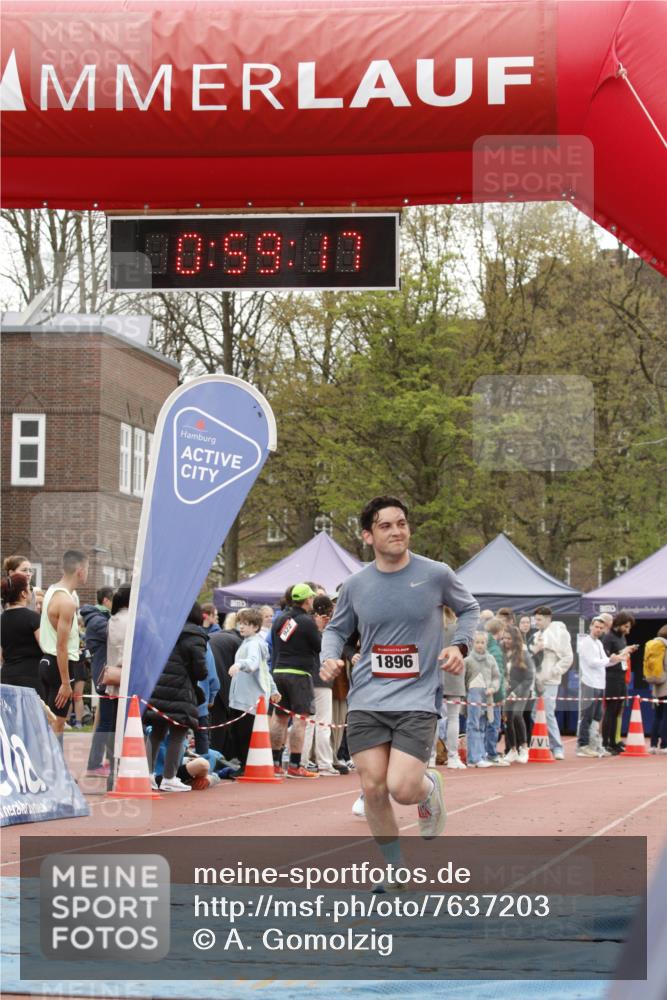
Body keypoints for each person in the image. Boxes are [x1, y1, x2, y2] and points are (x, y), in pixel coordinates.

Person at [320, 495, 479, 849]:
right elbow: (335, 630)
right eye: (386, 526)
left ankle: (428, 787)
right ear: (367, 536)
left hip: (416, 697)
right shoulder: (356, 585)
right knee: (373, 787)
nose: (396, 531)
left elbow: (469, 609)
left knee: (403, 789)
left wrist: (459, 646)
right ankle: (395, 873)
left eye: (401, 523)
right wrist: (329, 657)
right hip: (367, 697)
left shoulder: (436, 574)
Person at [144, 602, 208, 792]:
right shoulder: (195, 636)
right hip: (181, 689)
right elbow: (200, 670)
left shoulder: (165, 630)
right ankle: (169, 778)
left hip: (159, 686)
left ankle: (146, 775)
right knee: (178, 733)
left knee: (156, 732)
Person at [269, 583, 320, 779]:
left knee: (279, 717)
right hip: (299, 674)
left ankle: (275, 763)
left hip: (280, 670)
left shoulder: (280, 618)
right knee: (301, 719)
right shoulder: (307, 621)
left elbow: (278, 643)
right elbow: (318, 646)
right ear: (308, 600)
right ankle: (295, 764)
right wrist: (320, 629)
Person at [38, 550, 89, 744]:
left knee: (52, 723)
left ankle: (51, 770)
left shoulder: (52, 590)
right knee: (57, 725)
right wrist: (66, 682)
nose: (87, 573)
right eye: (87, 568)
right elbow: (61, 646)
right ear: (79, 570)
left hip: (47, 662)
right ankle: (54, 773)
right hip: (59, 665)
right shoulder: (67, 602)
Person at [228, 607, 281, 770]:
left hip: (248, 700)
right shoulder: (251, 642)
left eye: (246, 624)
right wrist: (273, 689)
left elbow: (253, 663)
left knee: (243, 735)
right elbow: (264, 670)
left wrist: (239, 664)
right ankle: (246, 766)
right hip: (246, 698)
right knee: (241, 734)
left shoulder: (254, 644)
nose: (241, 627)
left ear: (256, 627)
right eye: (240, 623)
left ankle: (246, 767)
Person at [300, 595, 340, 776]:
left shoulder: (305, 626)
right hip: (322, 679)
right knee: (323, 722)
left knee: (308, 722)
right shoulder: (328, 631)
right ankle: (324, 763)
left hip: (308, 678)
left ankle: (302, 761)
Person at [529, 606, 573, 760]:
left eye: (539, 620)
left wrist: (554, 672)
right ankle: (543, 744)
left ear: (549, 619)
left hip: (550, 680)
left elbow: (568, 657)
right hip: (535, 680)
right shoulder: (536, 635)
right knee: (535, 714)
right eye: (536, 620)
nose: (537, 623)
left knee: (547, 713)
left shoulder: (560, 633)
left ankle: (557, 747)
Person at [577, 617, 624, 758]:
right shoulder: (586, 643)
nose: (598, 630)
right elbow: (592, 662)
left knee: (597, 717)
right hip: (589, 683)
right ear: (591, 626)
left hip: (599, 683)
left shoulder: (598, 643)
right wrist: (610, 659)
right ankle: (583, 745)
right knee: (587, 716)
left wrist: (616, 659)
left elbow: (605, 662)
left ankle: (594, 745)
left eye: (600, 628)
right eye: (596, 626)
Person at [80, 586, 113, 775]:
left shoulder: (98, 619)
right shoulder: (98, 621)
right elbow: (114, 634)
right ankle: (94, 764)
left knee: (106, 721)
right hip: (104, 676)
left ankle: (101, 761)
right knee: (106, 722)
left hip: (104, 675)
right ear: (107, 601)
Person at [601, 611, 638, 755]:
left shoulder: (621, 637)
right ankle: (606, 743)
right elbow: (607, 658)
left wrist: (627, 651)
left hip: (621, 677)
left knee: (617, 711)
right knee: (610, 710)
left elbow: (621, 654)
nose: (628, 631)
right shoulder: (608, 638)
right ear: (619, 624)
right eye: (626, 627)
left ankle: (614, 741)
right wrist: (624, 652)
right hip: (611, 678)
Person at [1, 572, 43, 694]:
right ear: (23, 594)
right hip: (30, 677)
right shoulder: (33, 618)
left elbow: (1, 655)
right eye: (29, 588)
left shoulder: (1, 619)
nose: (31, 592)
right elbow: (45, 646)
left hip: (6, 676)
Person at [464, 631, 501, 768]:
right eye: (477, 642)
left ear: (486, 643)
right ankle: (474, 758)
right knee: (474, 725)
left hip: (488, 697)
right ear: (473, 643)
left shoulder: (491, 659)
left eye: (482, 642)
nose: (480, 645)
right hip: (473, 696)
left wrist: (493, 687)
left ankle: (480, 755)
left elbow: (497, 677)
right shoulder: (467, 660)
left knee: (483, 725)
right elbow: (463, 679)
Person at [500, 625, 535, 763]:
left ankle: (524, 748)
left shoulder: (524, 654)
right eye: (504, 638)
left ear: (515, 639)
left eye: (509, 638)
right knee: (507, 718)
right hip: (507, 690)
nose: (506, 641)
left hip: (522, 690)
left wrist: (516, 692)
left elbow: (529, 677)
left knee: (516, 715)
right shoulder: (502, 652)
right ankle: (512, 750)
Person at [646, 624, 667, 753]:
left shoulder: (653, 645)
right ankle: (664, 745)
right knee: (666, 716)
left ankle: (653, 745)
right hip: (666, 685)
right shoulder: (665, 647)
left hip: (656, 687)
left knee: (657, 716)